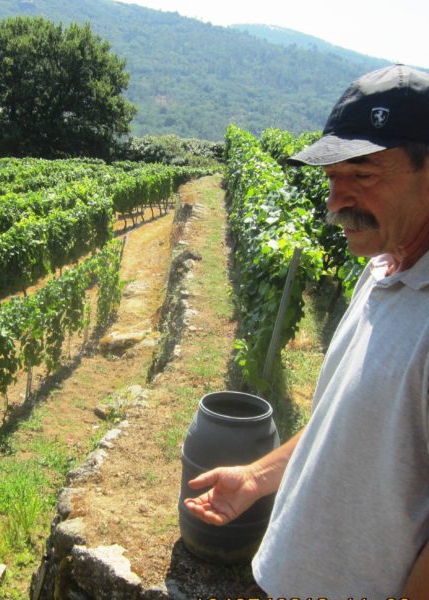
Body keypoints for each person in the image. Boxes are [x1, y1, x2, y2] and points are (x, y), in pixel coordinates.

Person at [184, 63, 429, 599]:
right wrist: (257, 477)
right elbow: (345, 423)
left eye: (363, 175)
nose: (335, 202)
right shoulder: (383, 270)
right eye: (331, 177)